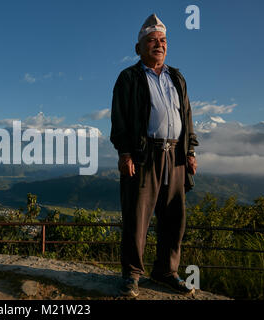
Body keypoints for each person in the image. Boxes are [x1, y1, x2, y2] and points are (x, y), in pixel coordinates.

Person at [110, 13, 199, 298]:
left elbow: (187, 116)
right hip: (143, 155)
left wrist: (191, 151)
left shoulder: (177, 77)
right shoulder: (129, 78)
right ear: (139, 47)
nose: (158, 45)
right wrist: (125, 153)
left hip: (175, 155)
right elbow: (119, 120)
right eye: (151, 41)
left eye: (162, 41)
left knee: (174, 216)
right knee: (138, 215)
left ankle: (165, 272)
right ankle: (132, 274)